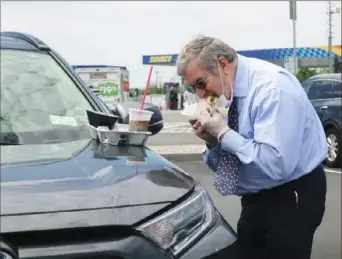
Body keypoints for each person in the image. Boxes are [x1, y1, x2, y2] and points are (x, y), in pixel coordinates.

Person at [176, 36, 328, 259]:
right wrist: (212, 141)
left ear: (222, 65)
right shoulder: (227, 90)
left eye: (201, 83)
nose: (200, 94)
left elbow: (276, 164)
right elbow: (226, 163)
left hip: (293, 192)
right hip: (255, 198)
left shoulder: (273, 89)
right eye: (193, 88)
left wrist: (225, 133)